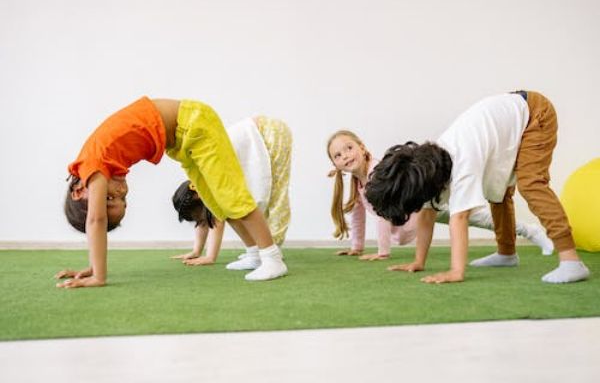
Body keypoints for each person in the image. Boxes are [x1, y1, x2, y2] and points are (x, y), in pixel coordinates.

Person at [58, 97, 287, 288]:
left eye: (108, 198)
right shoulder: (95, 165)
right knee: (217, 203)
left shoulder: (93, 166)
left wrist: (99, 276)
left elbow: (96, 220)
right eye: (123, 198)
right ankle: (254, 253)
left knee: (232, 196)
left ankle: (272, 257)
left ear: (78, 191)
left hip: (194, 123)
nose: (121, 190)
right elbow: (96, 219)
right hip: (182, 142)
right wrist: (94, 267)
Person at [365, 91, 590, 284]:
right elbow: (426, 214)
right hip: (509, 117)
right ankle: (506, 254)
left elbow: (459, 218)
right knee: (498, 192)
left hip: (534, 114)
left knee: (531, 184)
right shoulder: (423, 170)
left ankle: (571, 261)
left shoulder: (461, 162)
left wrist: (456, 271)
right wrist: (418, 261)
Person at [327, 130, 553, 261]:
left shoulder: (378, 174)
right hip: (418, 213)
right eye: (337, 155)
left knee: (480, 218)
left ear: (362, 147)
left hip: (425, 204)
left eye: (349, 148)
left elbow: (382, 217)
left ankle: (529, 230)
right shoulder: (356, 183)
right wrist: (357, 247)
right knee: (480, 219)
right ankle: (526, 231)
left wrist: (383, 253)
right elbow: (358, 216)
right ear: (335, 165)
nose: (345, 156)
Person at [171, 116, 292, 270]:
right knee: (242, 205)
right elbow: (205, 221)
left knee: (275, 195)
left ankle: (272, 253)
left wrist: (210, 257)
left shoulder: (209, 181)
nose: (203, 222)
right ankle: (257, 252)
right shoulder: (200, 182)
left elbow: (217, 219)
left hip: (271, 133)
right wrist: (196, 251)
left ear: (198, 196)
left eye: (200, 217)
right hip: (260, 133)